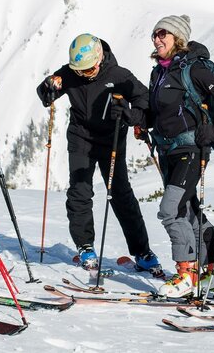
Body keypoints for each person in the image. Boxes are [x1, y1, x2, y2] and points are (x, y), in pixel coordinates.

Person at [35, 34, 161, 274]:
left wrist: (129, 113)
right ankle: (85, 246)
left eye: (89, 69)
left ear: (99, 58)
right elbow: (45, 94)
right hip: (81, 137)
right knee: (80, 190)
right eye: (79, 70)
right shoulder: (72, 72)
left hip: (112, 139)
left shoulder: (119, 75)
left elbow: (145, 101)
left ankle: (142, 251)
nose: (85, 74)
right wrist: (49, 86)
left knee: (121, 194)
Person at [144, 15, 214, 298]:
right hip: (168, 151)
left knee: (171, 209)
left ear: (178, 38)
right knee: (188, 212)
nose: (157, 38)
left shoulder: (194, 69)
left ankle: (187, 273)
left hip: (191, 150)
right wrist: (135, 118)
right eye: (155, 34)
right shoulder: (159, 72)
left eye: (163, 33)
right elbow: (158, 113)